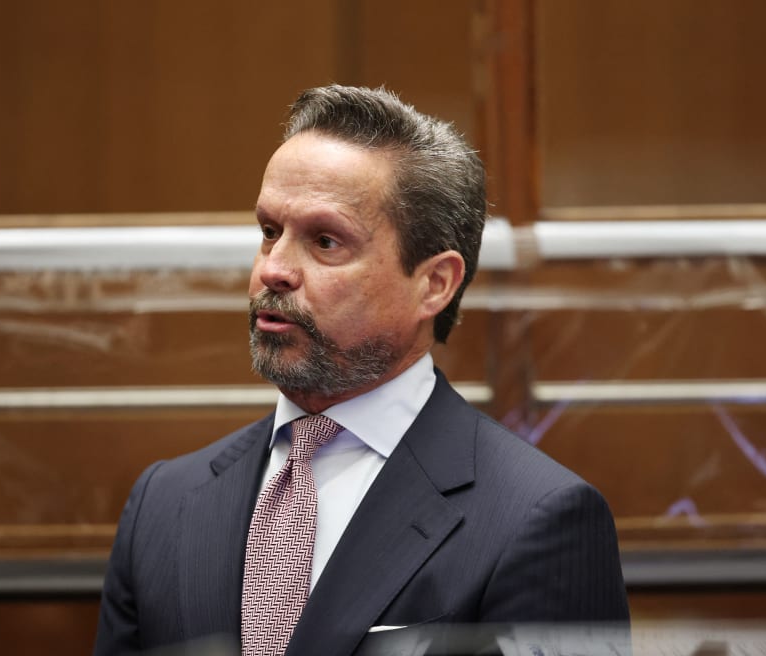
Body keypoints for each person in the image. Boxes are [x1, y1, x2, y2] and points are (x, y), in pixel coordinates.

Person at [94, 85, 629, 656]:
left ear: (434, 284)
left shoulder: (538, 518)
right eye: (270, 232)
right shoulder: (163, 503)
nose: (274, 269)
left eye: (325, 241)